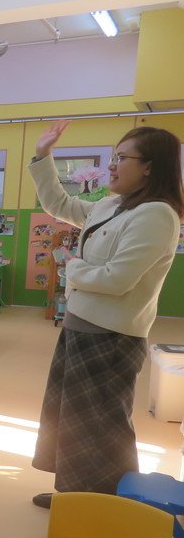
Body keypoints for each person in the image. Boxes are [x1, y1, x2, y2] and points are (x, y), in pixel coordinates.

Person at [28, 122, 183, 509]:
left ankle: (107, 504)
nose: (111, 165)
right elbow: (60, 205)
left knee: (101, 424)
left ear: (149, 166)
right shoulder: (113, 205)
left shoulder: (156, 215)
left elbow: (117, 279)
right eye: (114, 156)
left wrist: (72, 268)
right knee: (72, 418)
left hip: (111, 337)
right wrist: (43, 155)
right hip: (80, 328)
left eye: (121, 158)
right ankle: (75, 496)